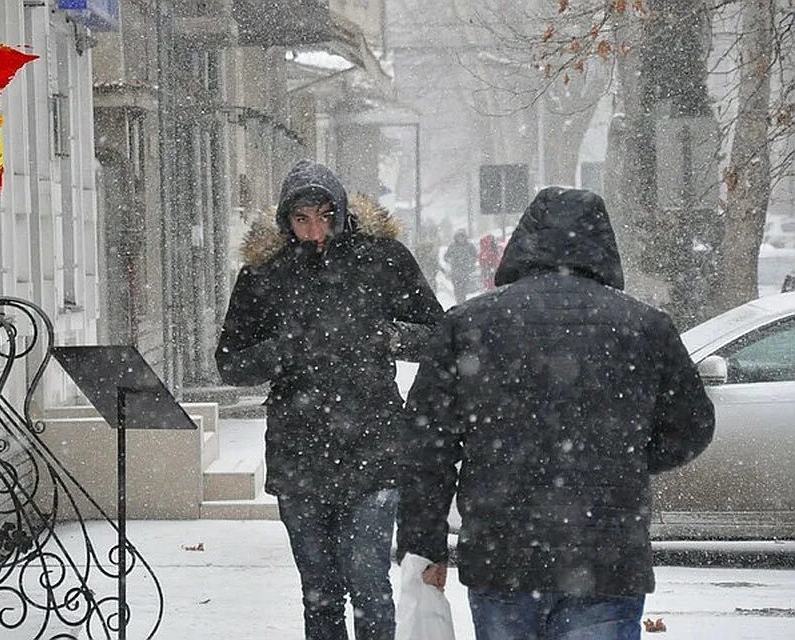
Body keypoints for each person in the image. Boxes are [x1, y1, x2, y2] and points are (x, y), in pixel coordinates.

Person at [396, 187, 715, 640]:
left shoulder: (469, 324)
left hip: (503, 548)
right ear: (603, 245)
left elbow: (427, 445)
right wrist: (625, 456)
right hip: (607, 551)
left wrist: (423, 544)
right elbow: (693, 425)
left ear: (524, 244)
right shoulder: (645, 327)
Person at [216, 160, 443, 640]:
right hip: (299, 453)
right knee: (319, 590)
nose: (315, 230)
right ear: (286, 221)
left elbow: (439, 336)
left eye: (324, 216)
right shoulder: (264, 274)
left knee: (368, 582)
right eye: (302, 220)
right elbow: (231, 364)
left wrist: (388, 337)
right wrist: (284, 349)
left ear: (341, 211)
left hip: (374, 447)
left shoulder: (384, 259)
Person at [443, 229, 479, 302]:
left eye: (462, 236)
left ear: (465, 237)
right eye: (459, 237)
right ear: (456, 237)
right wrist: (451, 260)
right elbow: (446, 257)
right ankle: (459, 303)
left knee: (464, 291)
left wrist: (471, 262)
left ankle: (463, 303)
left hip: (466, 272)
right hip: (456, 273)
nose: (460, 239)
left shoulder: (470, 246)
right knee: (457, 291)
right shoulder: (452, 246)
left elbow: (475, 255)